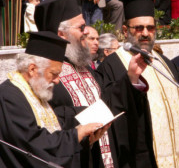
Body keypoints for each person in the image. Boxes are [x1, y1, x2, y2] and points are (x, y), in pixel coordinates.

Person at [97, 0, 179, 168]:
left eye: (150, 28)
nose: (145, 33)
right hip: (141, 160)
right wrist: (131, 81)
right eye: (139, 28)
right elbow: (113, 116)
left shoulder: (165, 64)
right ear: (125, 31)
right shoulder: (111, 66)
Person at [34, 0, 121, 168]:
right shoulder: (43, 76)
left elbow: (107, 98)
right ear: (61, 34)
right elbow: (45, 123)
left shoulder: (84, 66)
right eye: (81, 28)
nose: (85, 32)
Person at [0, 31, 109, 168]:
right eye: (54, 74)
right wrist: (76, 135)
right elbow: (32, 145)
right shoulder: (9, 96)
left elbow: (54, 128)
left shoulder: (35, 91)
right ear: (32, 69)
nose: (58, 81)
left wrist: (85, 138)